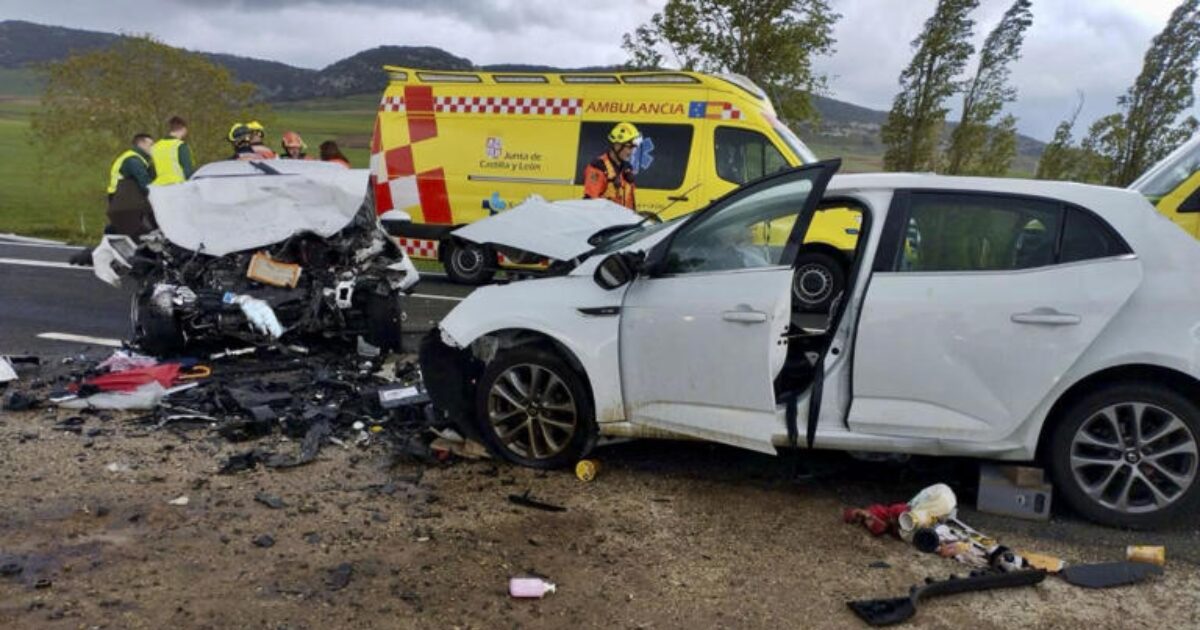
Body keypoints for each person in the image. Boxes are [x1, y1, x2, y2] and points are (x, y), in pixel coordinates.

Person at [106, 133, 156, 236]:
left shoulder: (139, 159)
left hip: (123, 199)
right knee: (134, 232)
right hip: (123, 199)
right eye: (150, 144)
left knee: (127, 231)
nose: (153, 147)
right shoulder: (133, 160)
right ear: (141, 144)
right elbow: (144, 182)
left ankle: (111, 233)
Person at [582, 122, 640, 209]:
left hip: (625, 221)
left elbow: (630, 202)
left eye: (633, 148)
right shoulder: (598, 168)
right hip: (605, 222)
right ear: (617, 145)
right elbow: (590, 205)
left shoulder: (627, 168)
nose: (631, 152)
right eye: (629, 147)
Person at [150, 115, 194, 185]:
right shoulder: (180, 146)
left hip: (158, 188)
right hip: (177, 186)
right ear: (183, 129)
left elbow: (151, 171)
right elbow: (188, 170)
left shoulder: (155, 147)